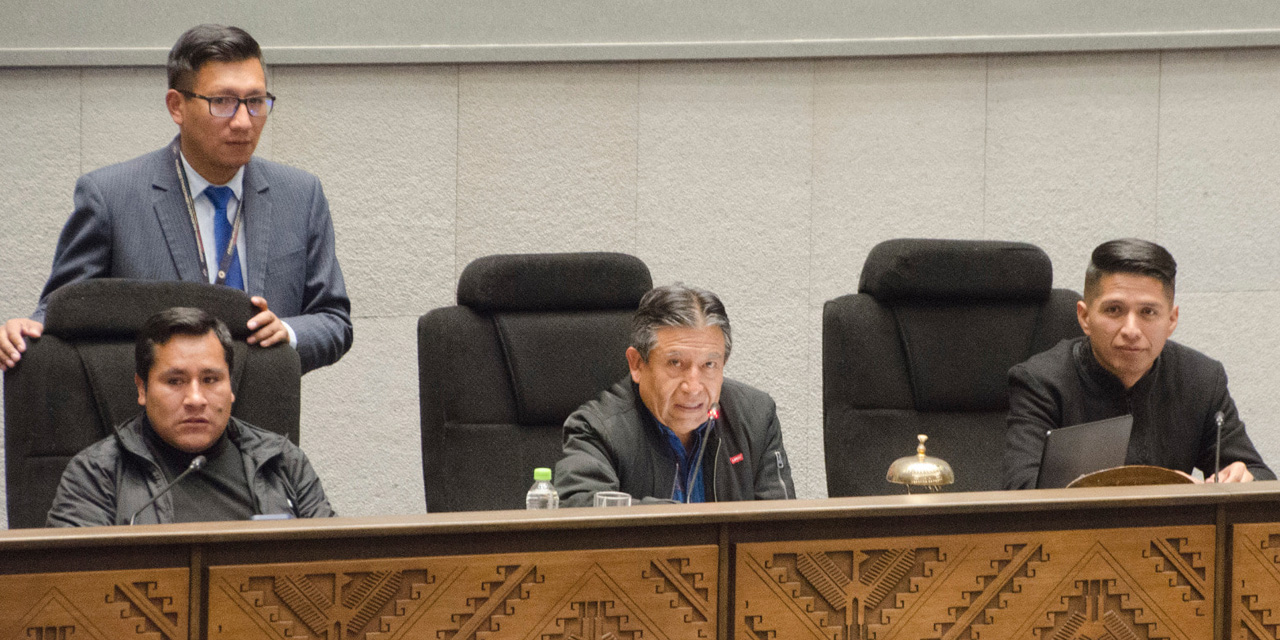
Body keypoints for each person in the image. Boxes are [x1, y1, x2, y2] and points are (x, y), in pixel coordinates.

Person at [0, 24, 351, 374]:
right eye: (223, 102)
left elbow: (334, 320)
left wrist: (287, 333)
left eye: (256, 102)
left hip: (265, 421)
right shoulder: (112, 197)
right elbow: (65, 312)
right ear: (176, 106)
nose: (244, 121)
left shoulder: (300, 194)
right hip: (147, 422)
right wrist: (26, 331)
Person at [1004, 238, 1274, 489]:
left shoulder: (1201, 379)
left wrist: (1242, 478)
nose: (1131, 329)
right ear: (1084, 317)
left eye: (1148, 312)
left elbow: (1260, 476)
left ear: (1171, 320)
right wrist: (1162, 486)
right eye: (1114, 310)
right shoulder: (1041, 382)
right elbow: (1020, 491)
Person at [46, 307, 335, 526]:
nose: (195, 399)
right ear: (142, 388)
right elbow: (72, 588)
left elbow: (334, 560)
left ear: (231, 387)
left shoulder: (283, 462)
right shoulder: (96, 474)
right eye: (175, 381)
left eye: (210, 380)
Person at [554, 284, 795, 506]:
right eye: (676, 363)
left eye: (709, 365)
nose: (693, 387)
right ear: (637, 364)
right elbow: (583, 514)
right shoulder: (597, 429)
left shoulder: (756, 418)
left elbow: (782, 530)